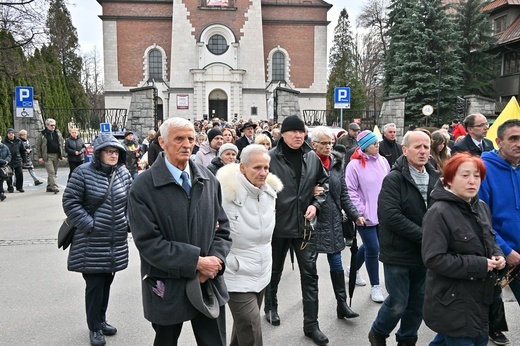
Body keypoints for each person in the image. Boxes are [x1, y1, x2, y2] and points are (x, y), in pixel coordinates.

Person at [127, 117, 232, 346]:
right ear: (162, 143)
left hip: (207, 281)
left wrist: (215, 261)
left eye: (191, 139)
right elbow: (148, 243)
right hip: (167, 284)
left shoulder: (209, 180)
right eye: (179, 139)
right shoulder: (143, 187)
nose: (187, 144)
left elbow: (223, 230)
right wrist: (196, 262)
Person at [423, 153, 505, 346]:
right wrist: (480, 265)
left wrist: (498, 255)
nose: (472, 181)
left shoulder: (481, 206)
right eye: (465, 175)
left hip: (480, 299)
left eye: (476, 176)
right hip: (453, 302)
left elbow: (490, 239)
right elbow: (434, 259)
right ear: (449, 179)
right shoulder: (438, 212)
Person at [368, 131, 440, 346]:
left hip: (424, 254)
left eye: (426, 147)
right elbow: (391, 217)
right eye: (417, 146)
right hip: (398, 252)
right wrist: (426, 236)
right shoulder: (394, 179)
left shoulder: (436, 177)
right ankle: (378, 332)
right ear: (405, 150)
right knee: (399, 302)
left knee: (417, 303)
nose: (423, 151)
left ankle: (407, 339)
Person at [264, 115, 330, 346]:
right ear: (282, 134)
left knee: (310, 275)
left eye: (301, 133)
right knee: (274, 271)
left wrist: (315, 204)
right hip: (276, 226)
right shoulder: (270, 158)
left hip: (304, 227)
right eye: (293, 132)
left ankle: (312, 325)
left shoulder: (312, 157)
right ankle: (271, 306)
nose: (298, 136)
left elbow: (325, 184)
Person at [62, 133, 132, 346]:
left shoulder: (123, 173)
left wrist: (127, 222)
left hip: (115, 240)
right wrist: (89, 224)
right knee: (94, 285)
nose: (113, 155)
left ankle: (101, 320)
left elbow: (131, 202)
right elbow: (70, 202)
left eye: (116, 152)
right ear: (99, 153)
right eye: (109, 151)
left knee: (107, 282)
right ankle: (94, 327)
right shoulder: (83, 173)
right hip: (91, 241)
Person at [216, 144, 283, 346]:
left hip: (261, 270)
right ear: (242, 167)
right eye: (257, 168)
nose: (263, 173)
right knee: (251, 329)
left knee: (243, 329)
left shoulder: (270, 192)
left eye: (266, 168)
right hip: (235, 273)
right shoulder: (224, 194)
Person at [311, 127, 362, 319]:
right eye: (324, 143)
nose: (328, 146)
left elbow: (343, 194)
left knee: (336, 262)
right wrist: (310, 191)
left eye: (330, 143)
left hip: (332, 220)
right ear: (313, 144)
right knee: (310, 265)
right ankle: (311, 301)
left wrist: (355, 214)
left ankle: (342, 304)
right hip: (312, 220)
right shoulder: (306, 162)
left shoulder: (337, 163)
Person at [479, 119, 520, 345]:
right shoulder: (484, 169)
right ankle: (494, 328)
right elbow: (482, 219)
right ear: (498, 141)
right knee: (493, 295)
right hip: (498, 249)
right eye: (513, 138)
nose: (519, 144)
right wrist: (505, 249)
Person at [345, 130, 390, 303]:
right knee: (373, 249)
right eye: (374, 144)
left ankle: (353, 269)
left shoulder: (383, 161)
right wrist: (360, 211)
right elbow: (350, 190)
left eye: (378, 143)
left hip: (383, 214)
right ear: (364, 147)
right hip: (365, 216)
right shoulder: (354, 165)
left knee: (371, 245)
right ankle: (375, 286)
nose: (378, 146)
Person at [34, 118, 65, 194]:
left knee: (54, 172)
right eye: (51, 125)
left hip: (56, 155)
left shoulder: (57, 133)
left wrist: (62, 154)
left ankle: (49, 186)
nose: (53, 127)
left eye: (54, 125)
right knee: (51, 172)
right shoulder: (42, 134)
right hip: (47, 156)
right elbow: (38, 146)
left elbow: (61, 144)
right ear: (47, 125)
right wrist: (39, 156)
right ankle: (54, 186)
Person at [4, 128, 27, 193]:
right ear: (7, 134)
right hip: (8, 161)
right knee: (9, 175)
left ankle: (19, 187)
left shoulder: (18, 141)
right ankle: (10, 187)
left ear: (14, 134)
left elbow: (23, 151)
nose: (11, 134)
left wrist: (24, 160)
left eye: (12, 133)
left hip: (17, 160)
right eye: (9, 133)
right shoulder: (4, 142)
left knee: (19, 175)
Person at [0, 136, 12, 201]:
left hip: (3, 167)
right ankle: (1, 193)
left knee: (1, 180)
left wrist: (7, 161)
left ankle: (1, 193)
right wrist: (4, 161)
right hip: (2, 164)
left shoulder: (5, 147)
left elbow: (9, 155)